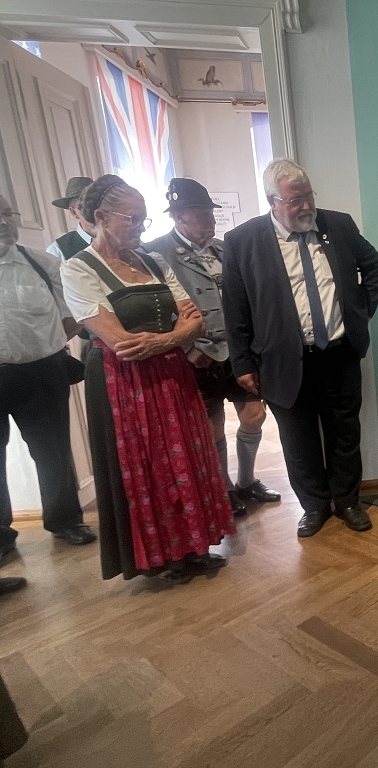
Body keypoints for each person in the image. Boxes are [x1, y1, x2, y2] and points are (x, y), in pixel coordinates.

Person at [60, 175, 236, 585]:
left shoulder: (153, 261)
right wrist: (177, 335)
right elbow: (121, 343)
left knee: (186, 459)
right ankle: (161, 557)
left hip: (171, 373)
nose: (141, 227)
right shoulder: (78, 268)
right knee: (147, 467)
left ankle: (193, 546)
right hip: (124, 383)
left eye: (144, 219)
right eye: (133, 219)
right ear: (102, 217)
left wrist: (166, 340)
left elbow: (196, 320)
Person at [222, 159, 378, 538]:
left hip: (339, 354)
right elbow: (236, 308)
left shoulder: (337, 225)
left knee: (345, 434)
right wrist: (242, 362)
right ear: (273, 202)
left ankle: (348, 502)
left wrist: (359, 312)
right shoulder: (243, 241)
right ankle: (314, 506)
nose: (306, 206)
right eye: (296, 200)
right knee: (299, 439)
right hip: (280, 361)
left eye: (308, 196)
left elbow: (373, 265)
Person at [146, 178, 280, 517]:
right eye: (200, 213)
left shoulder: (225, 249)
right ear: (178, 216)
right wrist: (189, 348)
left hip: (236, 353)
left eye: (210, 212)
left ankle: (247, 481)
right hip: (197, 358)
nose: (210, 219)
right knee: (212, 426)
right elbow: (158, 312)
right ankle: (224, 488)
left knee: (254, 416)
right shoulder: (155, 254)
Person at [0, 193, 97, 553]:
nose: (3, 222)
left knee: (53, 451)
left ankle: (65, 520)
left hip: (41, 373)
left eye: (7, 214)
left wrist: (45, 344)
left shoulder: (43, 264)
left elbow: (74, 317)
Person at [47, 177, 95, 260]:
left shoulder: (116, 239)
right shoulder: (57, 251)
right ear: (74, 212)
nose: (96, 209)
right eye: (87, 206)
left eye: (99, 203)